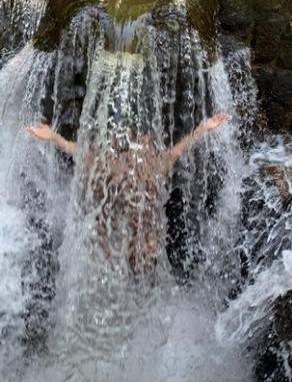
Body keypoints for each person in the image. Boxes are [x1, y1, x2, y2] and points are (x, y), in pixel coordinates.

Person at [26, 113, 230, 276]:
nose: (140, 153)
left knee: (147, 251)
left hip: (143, 232)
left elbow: (180, 149)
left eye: (144, 146)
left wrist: (204, 128)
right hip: (116, 230)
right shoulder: (115, 166)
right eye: (132, 149)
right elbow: (78, 151)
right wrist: (53, 137)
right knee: (107, 252)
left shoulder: (155, 166)